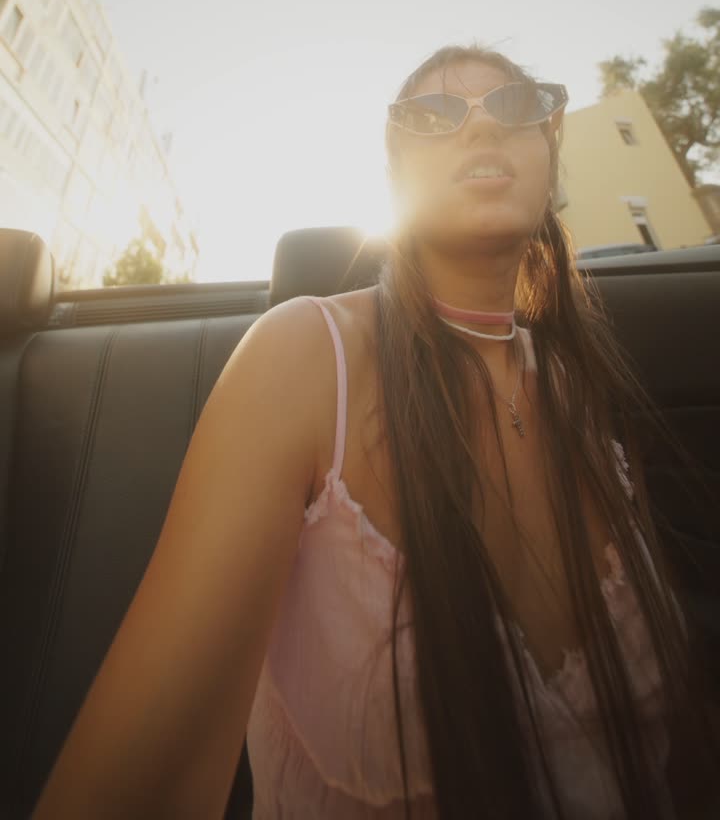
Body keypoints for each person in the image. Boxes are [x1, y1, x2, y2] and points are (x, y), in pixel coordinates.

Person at [33, 44, 719, 819]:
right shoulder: (301, 357)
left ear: (549, 152)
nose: (480, 127)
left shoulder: (576, 389)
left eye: (515, 107)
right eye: (434, 115)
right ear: (395, 179)